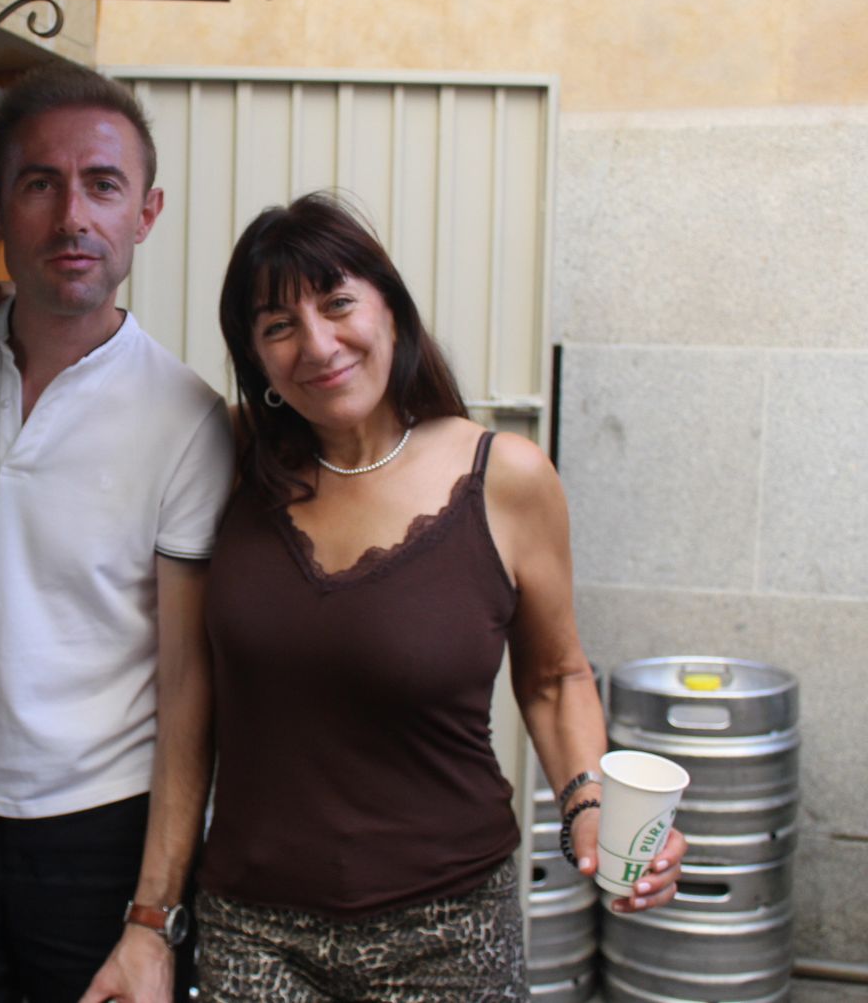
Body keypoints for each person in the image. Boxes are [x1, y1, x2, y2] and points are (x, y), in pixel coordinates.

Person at [195, 192, 685, 1000]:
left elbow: (555, 676)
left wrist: (588, 802)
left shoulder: (507, 478)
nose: (317, 343)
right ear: (257, 359)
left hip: (449, 928)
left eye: (338, 302)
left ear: (392, 311)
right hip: (253, 927)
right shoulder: (227, 459)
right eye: (278, 325)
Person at [0, 64, 234, 1003]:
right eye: (41, 184)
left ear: (147, 212)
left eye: (103, 184)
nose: (71, 215)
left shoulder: (189, 420)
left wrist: (153, 916)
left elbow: (184, 680)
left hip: (103, 837)